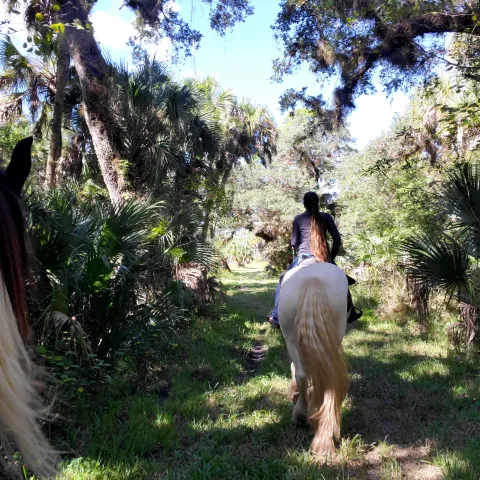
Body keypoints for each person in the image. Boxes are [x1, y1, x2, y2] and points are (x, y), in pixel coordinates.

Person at [267, 191, 362, 328]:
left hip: (303, 256)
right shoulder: (327, 217)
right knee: (343, 281)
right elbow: (337, 239)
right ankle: (351, 311)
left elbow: (294, 242)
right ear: (317, 202)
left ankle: (276, 317)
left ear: (304, 204)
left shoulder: (298, 219)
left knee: (282, 282)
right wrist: (331, 257)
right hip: (324, 258)